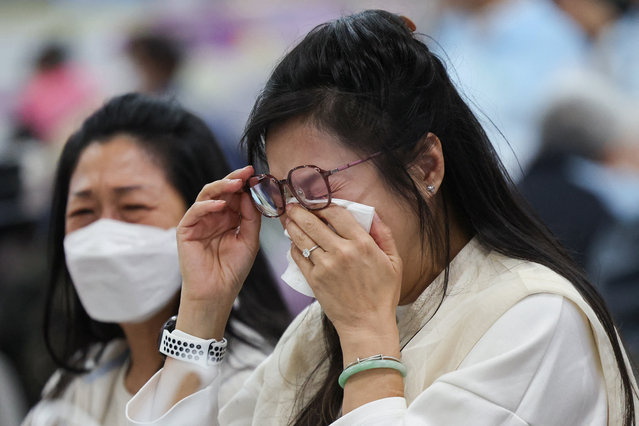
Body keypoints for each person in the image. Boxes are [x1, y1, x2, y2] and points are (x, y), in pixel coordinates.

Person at [127, 10, 638, 425]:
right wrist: (202, 310)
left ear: (425, 168)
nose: (294, 220)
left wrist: (366, 340)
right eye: (280, 193)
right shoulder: (317, 331)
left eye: (315, 185)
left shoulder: (536, 318)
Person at [22, 94, 290, 426]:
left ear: (211, 216)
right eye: (83, 211)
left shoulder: (253, 385)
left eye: (133, 208)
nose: (104, 237)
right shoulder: (80, 381)